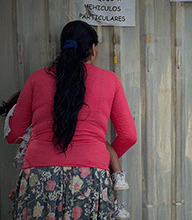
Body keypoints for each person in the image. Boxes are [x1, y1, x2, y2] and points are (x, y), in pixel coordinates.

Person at [5, 20, 137, 219]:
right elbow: (128, 136)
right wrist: (103, 158)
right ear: (93, 49)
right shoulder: (109, 80)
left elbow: (13, 134)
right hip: (91, 177)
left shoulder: (37, 78)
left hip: (38, 176)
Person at [1, 92, 131, 220]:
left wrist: (22, 186)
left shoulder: (34, 134)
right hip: (87, 168)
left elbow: (13, 137)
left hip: (43, 178)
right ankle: (117, 187)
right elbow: (129, 137)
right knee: (104, 147)